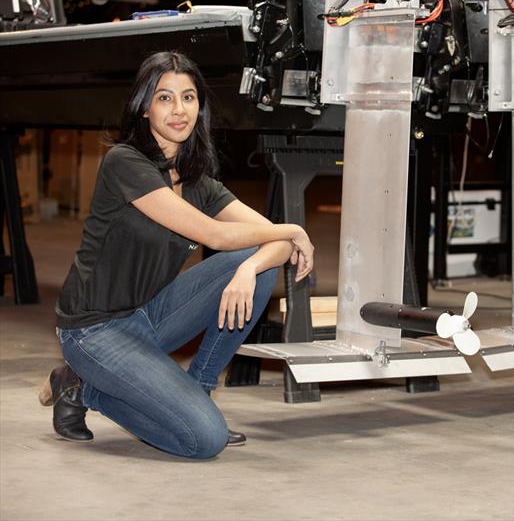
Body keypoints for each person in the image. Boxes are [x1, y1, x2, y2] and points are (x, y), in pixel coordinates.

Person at [38, 51, 315, 458]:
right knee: (203, 440)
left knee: (255, 267)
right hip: (93, 331)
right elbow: (216, 235)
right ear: (144, 107)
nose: (178, 109)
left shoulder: (197, 180)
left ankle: (199, 390)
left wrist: (252, 267)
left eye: (188, 97)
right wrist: (292, 229)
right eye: (164, 98)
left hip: (148, 315)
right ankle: (83, 388)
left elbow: (265, 243)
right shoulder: (125, 163)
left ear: (200, 106)